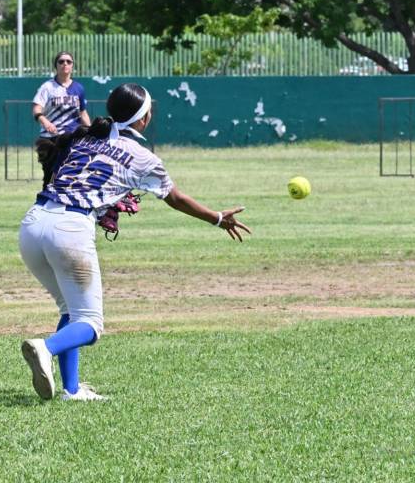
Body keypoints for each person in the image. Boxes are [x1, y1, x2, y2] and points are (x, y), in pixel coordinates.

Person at [19, 83, 251, 401]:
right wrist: (217, 217)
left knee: (71, 310)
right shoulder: (143, 157)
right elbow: (176, 198)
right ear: (143, 119)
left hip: (33, 223)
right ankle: (45, 347)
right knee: (90, 323)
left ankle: (71, 390)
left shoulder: (86, 137)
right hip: (70, 228)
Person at [33, 51, 92, 189]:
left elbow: (83, 113)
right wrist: (44, 121)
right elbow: (37, 108)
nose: (65, 64)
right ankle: (45, 205)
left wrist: (91, 131)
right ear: (56, 66)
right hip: (51, 139)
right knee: (50, 177)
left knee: (72, 175)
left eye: (68, 61)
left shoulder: (78, 88)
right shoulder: (47, 87)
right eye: (61, 61)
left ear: (72, 66)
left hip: (72, 137)